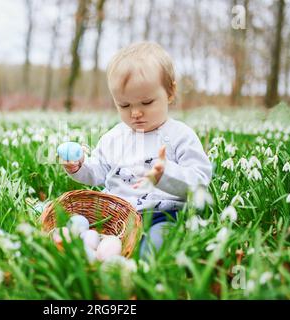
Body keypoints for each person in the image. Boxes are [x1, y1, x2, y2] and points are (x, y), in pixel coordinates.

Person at [61, 41, 212, 258]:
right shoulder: (114, 137)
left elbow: (200, 180)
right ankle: (92, 255)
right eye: (124, 105)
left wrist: (165, 174)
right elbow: (97, 173)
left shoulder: (181, 136)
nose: (135, 113)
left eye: (147, 102)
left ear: (170, 92)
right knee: (79, 224)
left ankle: (136, 263)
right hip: (115, 216)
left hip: (161, 215)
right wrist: (79, 167)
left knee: (152, 249)